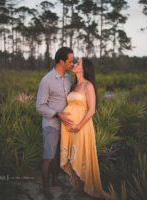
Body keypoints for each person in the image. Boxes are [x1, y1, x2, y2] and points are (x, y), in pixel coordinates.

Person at [60, 58, 109, 199]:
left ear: (84, 68)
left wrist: (79, 126)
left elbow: (92, 110)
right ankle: (78, 188)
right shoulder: (74, 85)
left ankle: (82, 192)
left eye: (78, 63)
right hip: (69, 128)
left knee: (81, 156)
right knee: (73, 155)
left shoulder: (88, 86)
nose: (74, 64)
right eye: (75, 63)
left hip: (81, 127)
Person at [36, 47, 75, 199]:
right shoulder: (47, 80)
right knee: (48, 156)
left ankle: (56, 180)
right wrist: (57, 114)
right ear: (61, 61)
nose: (72, 64)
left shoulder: (68, 78)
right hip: (51, 125)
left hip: (66, 126)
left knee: (58, 155)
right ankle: (46, 189)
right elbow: (39, 106)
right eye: (70, 61)